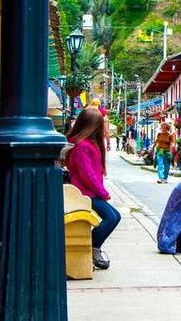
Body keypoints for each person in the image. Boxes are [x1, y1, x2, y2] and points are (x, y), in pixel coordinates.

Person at [65, 107, 121, 270]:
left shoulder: (87, 143)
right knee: (111, 217)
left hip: (89, 192)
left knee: (115, 216)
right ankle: (92, 247)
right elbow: (87, 174)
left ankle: (92, 247)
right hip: (85, 193)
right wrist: (103, 193)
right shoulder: (82, 146)